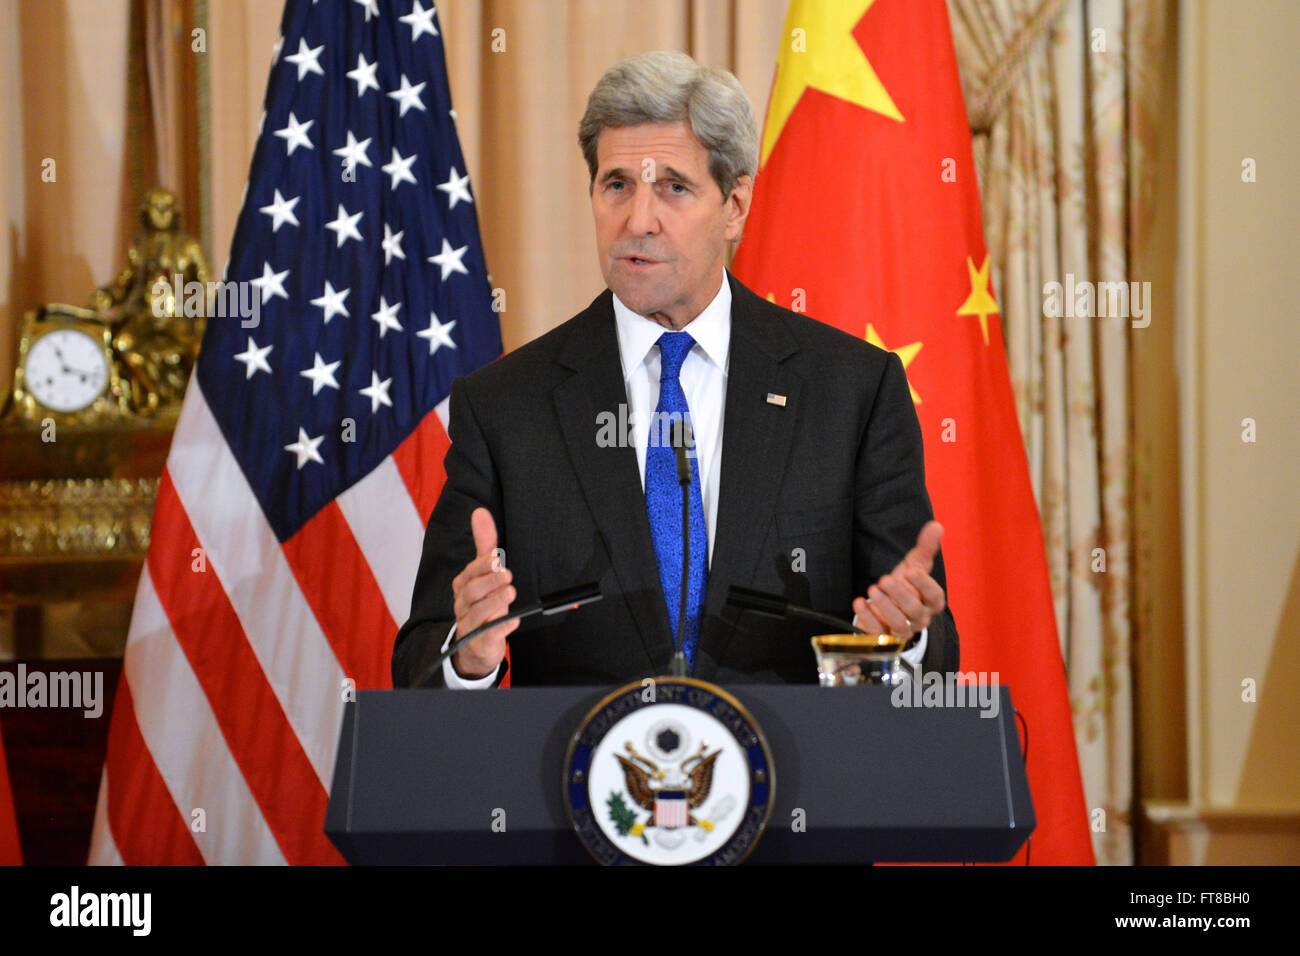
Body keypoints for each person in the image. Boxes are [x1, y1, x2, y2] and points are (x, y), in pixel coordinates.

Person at [392, 51, 957, 688]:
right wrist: (469, 654)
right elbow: (420, 663)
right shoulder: (504, 407)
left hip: (795, 777)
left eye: (673, 188)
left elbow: (932, 656)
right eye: (617, 185)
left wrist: (904, 643)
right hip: (574, 778)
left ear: (736, 205)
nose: (637, 221)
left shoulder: (852, 392)